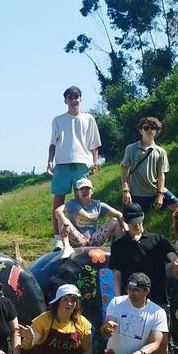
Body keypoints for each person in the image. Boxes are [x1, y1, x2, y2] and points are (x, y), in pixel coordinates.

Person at [48, 86, 102, 251]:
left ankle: (78, 235)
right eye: (70, 97)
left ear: (81, 98)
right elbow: (52, 143)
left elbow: (94, 144)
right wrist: (50, 161)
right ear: (65, 100)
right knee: (59, 201)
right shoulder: (58, 120)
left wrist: (94, 161)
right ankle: (58, 238)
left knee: (81, 200)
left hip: (81, 163)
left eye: (77, 96)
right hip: (62, 164)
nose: (74, 100)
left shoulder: (89, 119)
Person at [100, 273, 168, 354]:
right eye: (129, 289)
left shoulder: (158, 312)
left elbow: (155, 343)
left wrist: (140, 353)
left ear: (146, 292)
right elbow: (105, 326)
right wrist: (107, 327)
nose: (131, 293)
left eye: (136, 290)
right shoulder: (117, 302)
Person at [109, 203, 178, 309]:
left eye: (139, 220)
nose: (137, 224)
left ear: (143, 216)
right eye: (133, 222)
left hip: (158, 301)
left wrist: (176, 261)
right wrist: (117, 298)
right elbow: (117, 275)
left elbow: (172, 256)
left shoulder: (158, 240)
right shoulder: (118, 245)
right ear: (125, 220)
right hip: (130, 303)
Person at [19, 284, 93, 354]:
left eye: (73, 300)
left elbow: (87, 350)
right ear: (58, 302)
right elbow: (27, 346)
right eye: (65, 300)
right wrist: (29, 339)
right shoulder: (44, 319)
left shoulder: (82, 323)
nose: (70, 304)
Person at [120, 116, 178, 215]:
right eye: (146, 128)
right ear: (141, 131)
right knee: (135, 224)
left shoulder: (160, 151)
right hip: (136, 194)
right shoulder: (131, 148)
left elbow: (161, 174)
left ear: (157, 132)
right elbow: (124, 169)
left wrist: (160, 194)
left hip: (155, 191)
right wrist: (125, 190)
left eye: (153, 128)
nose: (149, 130)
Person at [54, 178, 124, 257]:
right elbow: (57, 211)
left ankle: (119, 249)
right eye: (81, 189)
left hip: (94, 240)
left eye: (87, 188)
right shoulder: (72, 203)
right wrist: (65, 222)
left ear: (92, 191)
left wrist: (127, 231)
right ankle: (66, 247)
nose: (84, 191)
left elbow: (119, 215)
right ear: (77, 192)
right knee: (62, 219)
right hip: (77, 240)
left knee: (115, 221)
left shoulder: (98, 205)